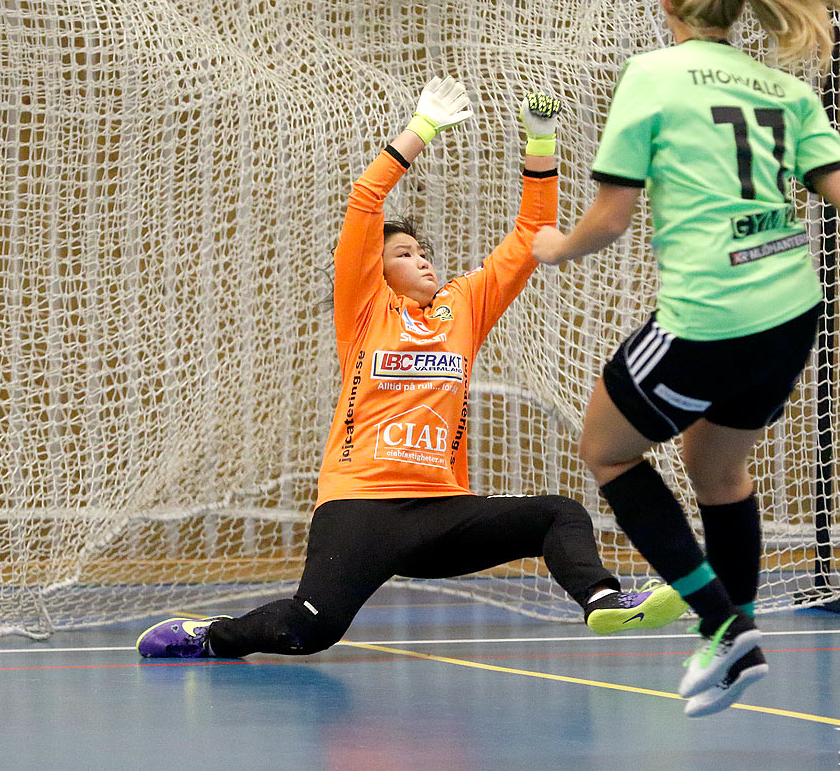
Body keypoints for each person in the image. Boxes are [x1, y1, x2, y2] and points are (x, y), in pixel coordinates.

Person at [138, 76, 685, 660]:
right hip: (360, 506)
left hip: (439, 512)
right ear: (377, 266)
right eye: (404, 253)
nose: (421, 260)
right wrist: (420, 128)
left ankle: (602, 600)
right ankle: (211, 635)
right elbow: (365, 201)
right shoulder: (364, 309)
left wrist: (541, 143)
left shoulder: (463, 308)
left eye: (424, 252)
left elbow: (530, 235)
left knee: (559, 514)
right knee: (306, 629)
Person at [530, 0, 840, 717]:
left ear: (667, 2)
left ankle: (724, 624)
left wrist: (555, 247)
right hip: (789, 317)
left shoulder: (652, 76)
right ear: (742, 5)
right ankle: (730, 647)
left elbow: (610, 220)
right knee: (717, 472)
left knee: (607, 454)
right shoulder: (789, 93)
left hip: (710, 314)